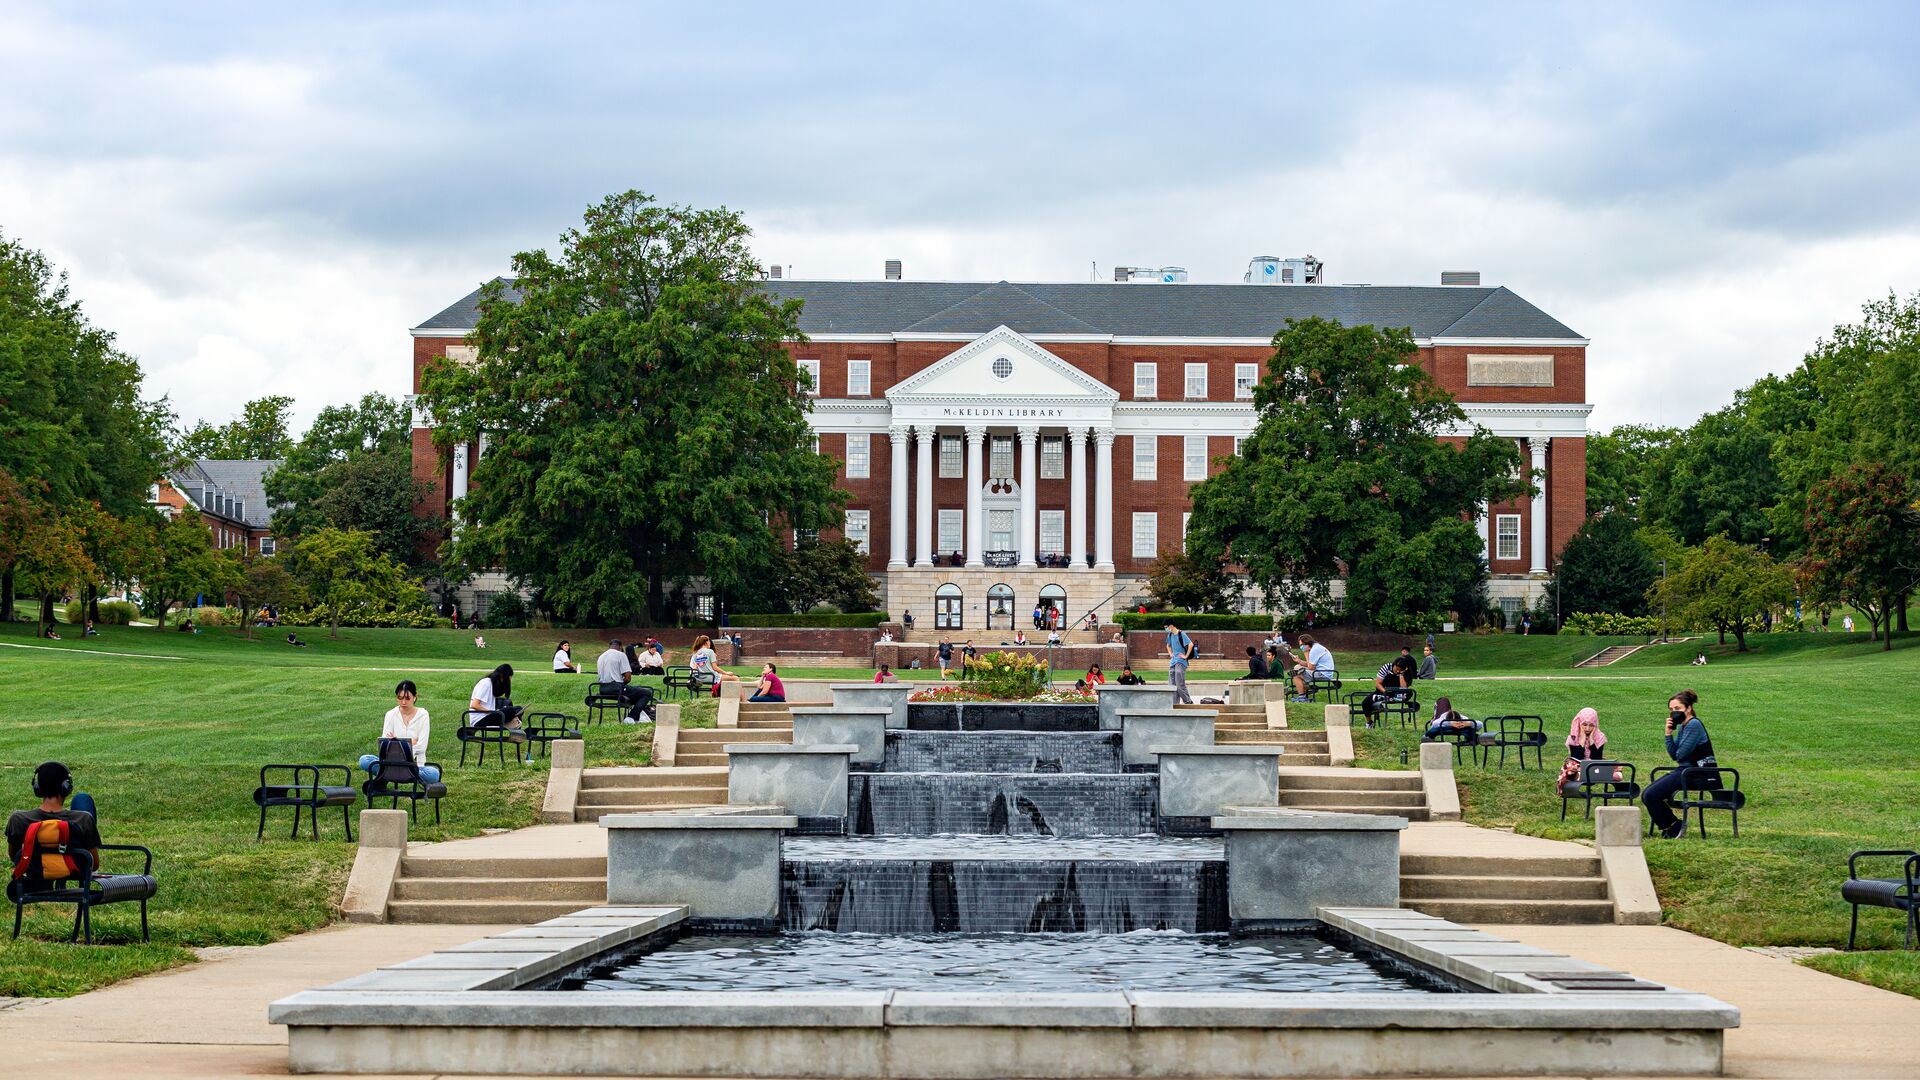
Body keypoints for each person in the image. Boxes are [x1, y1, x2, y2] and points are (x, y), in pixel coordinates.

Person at [7, 762, 104, 883]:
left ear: (37, 788)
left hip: (37, 870)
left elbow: (14, 857)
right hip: (75, 869)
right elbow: (93, 864)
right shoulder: (83, 819)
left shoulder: (19, 819)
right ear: (66, 787)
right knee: (82, 798)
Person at [1644, 689, 1718, 839]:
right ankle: (1671, 826)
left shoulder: (1694, 725)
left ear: (1689, 708)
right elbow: (1674, 754)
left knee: (1650, 795)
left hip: (1696, 773)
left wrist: (1678, 752)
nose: (1673, 712)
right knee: (1648, 794)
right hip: (1685, 771)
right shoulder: (1684, 727)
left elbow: (1680, 755)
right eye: (1671, 710)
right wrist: (1668, 734)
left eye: (1677, 709)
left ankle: (1673, 827)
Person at [357, 680, 443, 782]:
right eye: (400, 698)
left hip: (414, 767)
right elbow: (385, 744)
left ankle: (385, 776)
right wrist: (410, 743)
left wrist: (396, 743)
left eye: (407, 698)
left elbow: (422, 747)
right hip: (390, 763)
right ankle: (386, 773)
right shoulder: (390, 714)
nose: (403, 702)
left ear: (414, 697)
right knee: (364, 760)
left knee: (433, 774)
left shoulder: (423, 715)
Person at [469, 665, 528, 756]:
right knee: (510, 711)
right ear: (501, 676)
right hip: (479, 720)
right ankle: (510, 723)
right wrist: (493, 712)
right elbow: (475, 705)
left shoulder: (491, 684)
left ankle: (510, 722)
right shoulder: (486, 683)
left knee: (518, 709)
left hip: (488, 716)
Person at [1290, 634, 1335, 702]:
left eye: (1302, 645)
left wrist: (1306, 653)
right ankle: (1305, 691)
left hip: (1323, 674)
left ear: (1308, 643)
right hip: (1322, 671)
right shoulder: (1316, 647)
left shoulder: (1314, 650)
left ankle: (1302, 697)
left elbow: (1310, 667)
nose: (1301, 647)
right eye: (1300, 645)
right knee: (1297, 667)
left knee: (1296, 674)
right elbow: (1310, 665)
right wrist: (1299, 661)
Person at [1164, 621, 1195, 705]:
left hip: (1181, 661)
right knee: (1172, 684)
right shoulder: (1170, 635)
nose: (1165, 629)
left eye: (1166, 627)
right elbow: (1168, 645)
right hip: (1173, 661)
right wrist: (1171, 654)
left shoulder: (1181, 634)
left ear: (1171, 626)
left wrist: (1186, 656)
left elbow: (1191, 644)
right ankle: (1175, 703)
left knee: (1179, 683)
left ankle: (1188, 701)